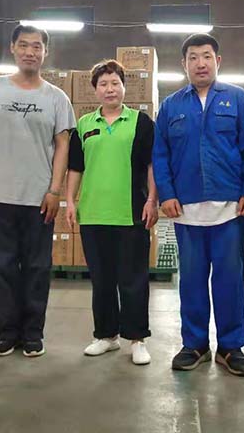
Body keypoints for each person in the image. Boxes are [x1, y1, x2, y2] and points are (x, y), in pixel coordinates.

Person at [152, 33, 244, 376]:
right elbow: (160, 154)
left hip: (230, 209)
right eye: (193, 57)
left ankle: (231, 347)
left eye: (206, 56)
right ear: (184, 64)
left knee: (230, 281)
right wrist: (167, 194)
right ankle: (195, 344)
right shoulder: (171, 106)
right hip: (186, 210)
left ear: (218, 61)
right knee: (192, 281)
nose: (200, 63)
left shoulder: (238, 99)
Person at [0, 24, 75, 358]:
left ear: (46, 52)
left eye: (37, 46)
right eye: (24, 45)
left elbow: (63, 145)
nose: (31, 52)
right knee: (1, 267)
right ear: (13, 48)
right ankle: (7, 333)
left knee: (37, 268)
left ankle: (32, 334)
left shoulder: (56, 98)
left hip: (38, 198)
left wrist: (55, 190)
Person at [65, 60, 158, 366]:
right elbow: (75, 167)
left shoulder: (141, 122)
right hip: (93, 214)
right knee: (102, 280)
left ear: (124, 87)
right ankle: (106, 336)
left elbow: (151, 165)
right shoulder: (84, 124)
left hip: (130, 213)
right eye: (103, 84)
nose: (110, 89)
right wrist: (70, 201)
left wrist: (152, 200)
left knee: (133, 279)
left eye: (115, 83)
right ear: (95, 90)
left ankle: (137, 339)